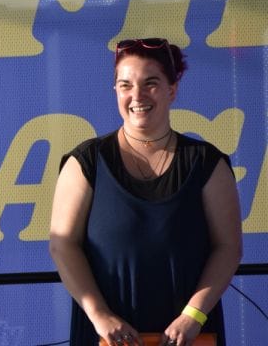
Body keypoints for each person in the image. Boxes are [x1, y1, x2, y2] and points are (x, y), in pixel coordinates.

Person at [49, 38, 242, 346]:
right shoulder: (85, 161)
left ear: (172, 90)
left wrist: (193, 316)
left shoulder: (207, 162)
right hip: (107, 337)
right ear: (115, 91)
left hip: (188, 337)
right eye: (125, 85)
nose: (136, 95)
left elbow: (228, 248)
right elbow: (62, 245)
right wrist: (100, 316)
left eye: (150, 83)